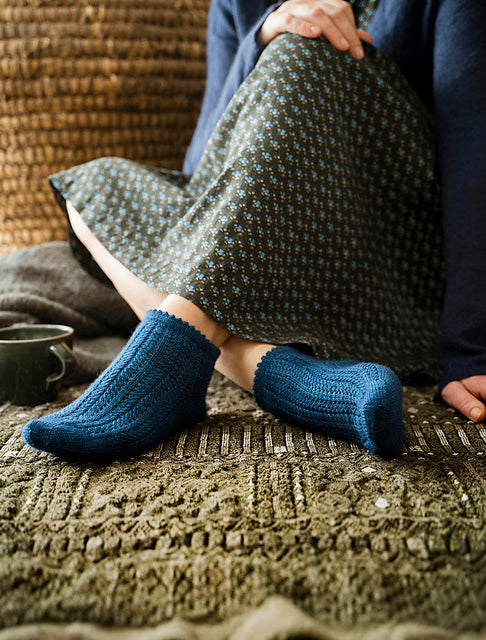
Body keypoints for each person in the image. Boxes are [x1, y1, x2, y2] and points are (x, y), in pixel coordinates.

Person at [22, 0, 486, 462]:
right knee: (95, 184)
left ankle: (167, 357)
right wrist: (260, 40)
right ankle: (286, 377)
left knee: (305, 49)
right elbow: (202, 167)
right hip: (262, 243)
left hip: (383, 266)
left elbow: (473, 154)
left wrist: (470, 349)